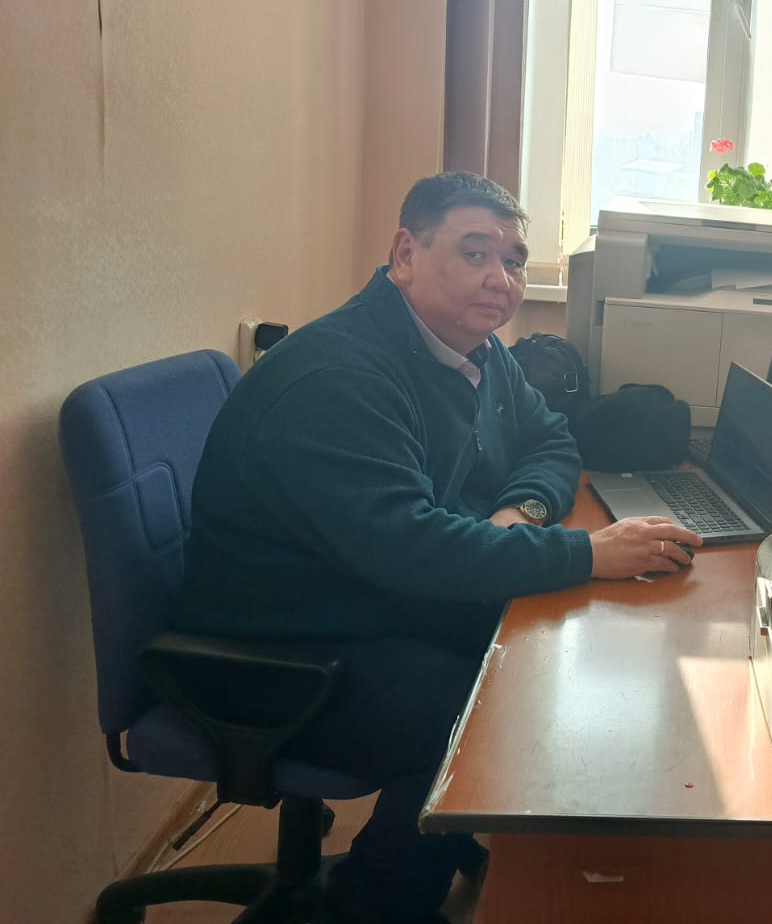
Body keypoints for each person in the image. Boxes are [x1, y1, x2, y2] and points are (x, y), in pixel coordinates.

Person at [176, 172, 701, 924]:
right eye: (474, 253)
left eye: (513, 262)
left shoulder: (475, 349)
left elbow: (551, 438)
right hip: (276, 651)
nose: (500, 279)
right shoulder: (339, 379)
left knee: (538, 656)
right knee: (489, 703)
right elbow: (411, 548)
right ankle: (375, 906)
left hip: (366, 600)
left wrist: (520, 513)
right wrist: (587, 554)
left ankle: (455, 845)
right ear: (405, 254)